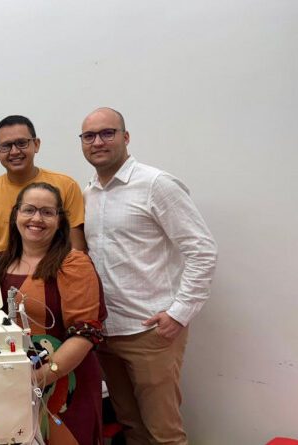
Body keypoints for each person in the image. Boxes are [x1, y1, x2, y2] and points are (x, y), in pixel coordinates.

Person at [80, 107, 217, 445]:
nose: (98, 142)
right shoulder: (87, 194)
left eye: (107, 133)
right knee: (131, 427)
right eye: (89, 136)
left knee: (164, 433)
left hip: (150, 331)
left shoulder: (156, 184)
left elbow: (202, 250)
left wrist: (180, 313)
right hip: (106, 332)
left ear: (126, 137)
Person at [0, 182, 106, 445]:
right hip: (8, 385)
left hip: (65, 387)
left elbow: (85, 334)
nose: (37, 218)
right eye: (29, 210)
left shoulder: (73, 263)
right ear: (16, 214)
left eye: (47, 212)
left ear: (59, 221)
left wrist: (39, 377)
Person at [0, 115, 86, 252]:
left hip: (54, 264)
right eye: (6, 146)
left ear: (36, 144)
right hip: (0, 265)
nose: (14, 151)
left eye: (22, 143)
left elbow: (77, 247)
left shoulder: (66, 185)